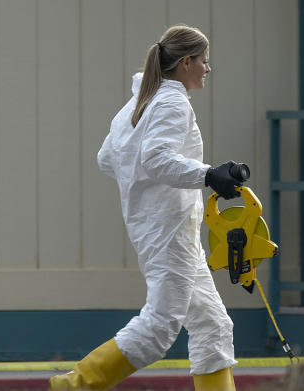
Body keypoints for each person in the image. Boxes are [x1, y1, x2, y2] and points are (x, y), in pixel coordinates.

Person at [50, 25, 248, 391]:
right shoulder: (172, 102)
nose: (208, 69)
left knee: (213, 324)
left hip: (163, 228)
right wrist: (210, 175)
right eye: (204, 62)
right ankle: (72, 386)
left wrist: (142, 192)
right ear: (186, 62)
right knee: (160, 325)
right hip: (170, 230)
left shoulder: (139, 101)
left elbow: (107, 158)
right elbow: (157, 159)